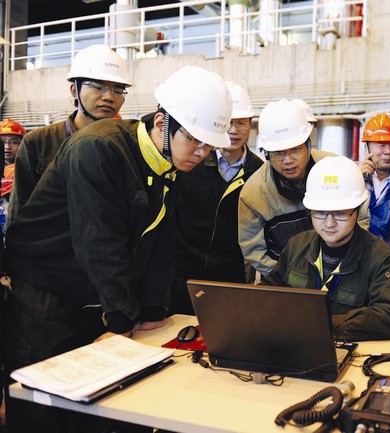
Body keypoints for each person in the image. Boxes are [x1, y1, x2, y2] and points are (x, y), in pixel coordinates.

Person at [3, 65, 232, 433]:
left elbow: (160, 241)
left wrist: (152, 309)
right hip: (46, 293)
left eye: (210, 145)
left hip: (90, 291)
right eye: (195, 141)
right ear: (162, 123)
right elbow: (99, 240)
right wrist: (122, 319)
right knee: (45, 404)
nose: (202, 153)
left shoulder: (166, 163)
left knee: (96, 402)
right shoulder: (100, 147)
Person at [262, 156, 390, 341]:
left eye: (340, 213)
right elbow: (267, 292)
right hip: (295, 344)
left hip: (348, 349)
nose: (329, 223)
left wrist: (322, 325)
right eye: (320, 212)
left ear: (357, 210)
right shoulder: (297, 246)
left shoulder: (382, 259)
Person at [239, 99, 369, 277]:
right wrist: (291, 280)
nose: (288, 160)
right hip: (285, 280)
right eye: (278, 153)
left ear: (308, 144)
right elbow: (254, 250)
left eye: (295, 150)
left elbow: (360, 217)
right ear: (267, 154)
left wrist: (344, 270)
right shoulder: (254, 193)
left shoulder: (337, 169)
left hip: (342, 273)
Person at [7, 44, 132, 226]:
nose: (109, 97)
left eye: (118, 90)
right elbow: (20, 212)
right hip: (54, 242)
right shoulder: (39, 142)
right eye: (98, 86)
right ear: (74, 90)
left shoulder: (129, 144)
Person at [170, 82, 263, 314]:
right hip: (183, 273)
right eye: (228, 123)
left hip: (230, 274)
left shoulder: (259, 172)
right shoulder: (191, 161)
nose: (234, 131)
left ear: (250, 125)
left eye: (241, 123)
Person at [357, 113, 390, 249]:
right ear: (367, 147)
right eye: (381, 145)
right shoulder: (353, 177)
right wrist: (355, 179)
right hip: (357, 253)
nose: (388, 151)